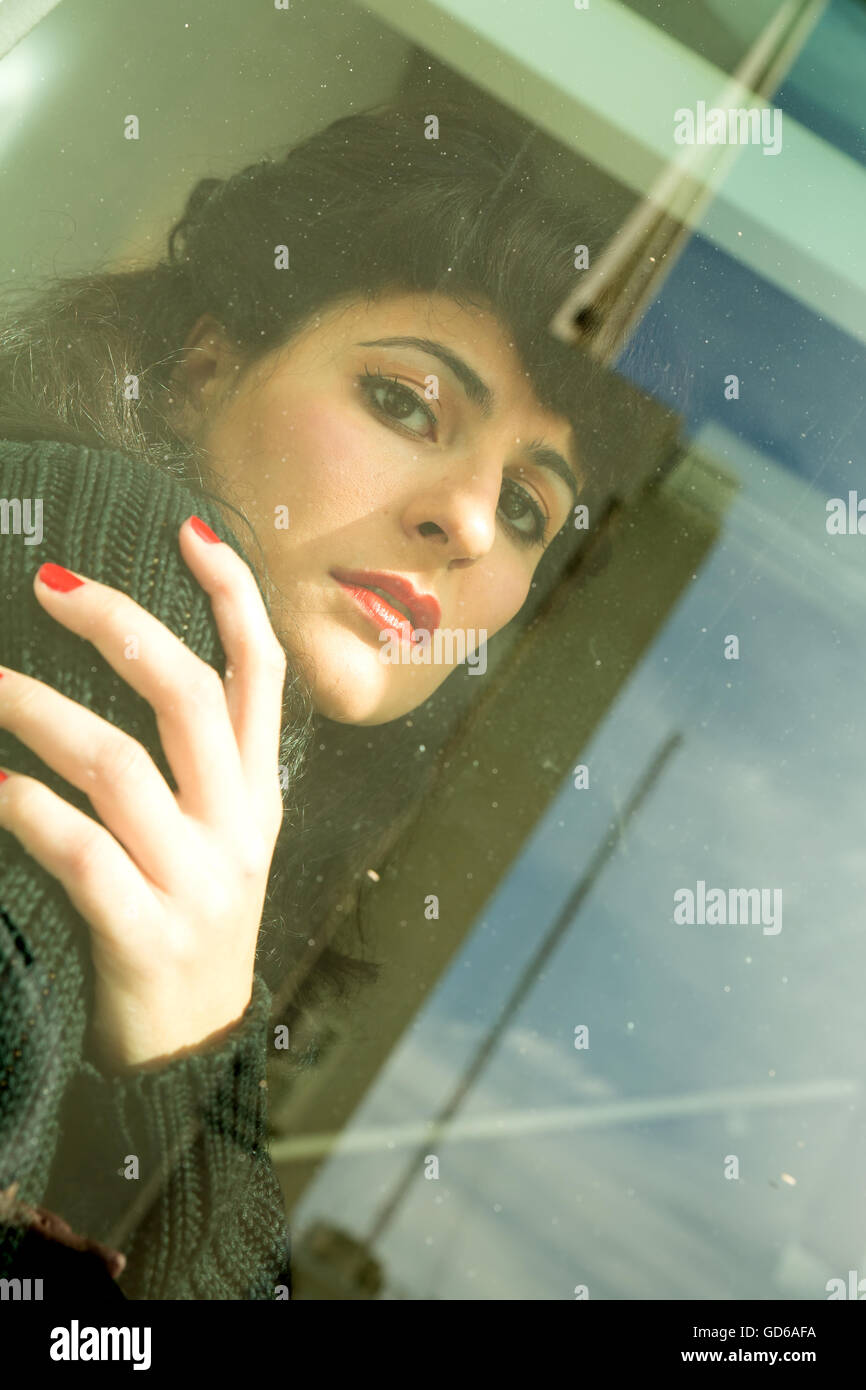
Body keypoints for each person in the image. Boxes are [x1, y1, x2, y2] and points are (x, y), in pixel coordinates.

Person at [0, 98, 597, 1298]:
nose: (470, 520)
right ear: (203, 367)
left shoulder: (268, 785)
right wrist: (196, 1061)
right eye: (404, 403)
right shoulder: (117, 577)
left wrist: (203, 1042)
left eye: (529, 508)